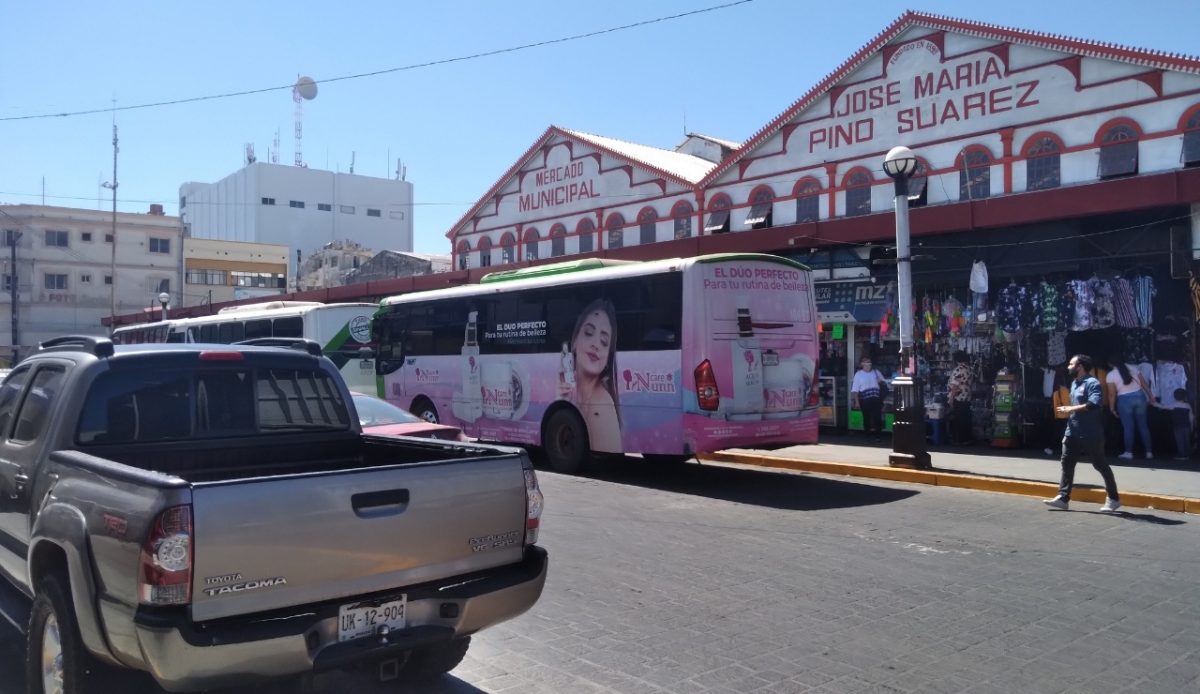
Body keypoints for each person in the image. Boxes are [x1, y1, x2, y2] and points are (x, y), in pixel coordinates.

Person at [1044, 354, 1122, 513]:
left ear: (1080, 366)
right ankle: (1063, 497)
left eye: (1071, 364)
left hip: (1090, 431)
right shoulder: (1074, 383)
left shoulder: (1092, 383)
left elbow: (1094, 404)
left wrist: (1070, 409)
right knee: (1066, 463)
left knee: (1099, 464)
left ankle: (1113, 498)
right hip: (1072, 430)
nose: (1068, 367)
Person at [557, 298, 622, 453]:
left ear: (608, 357)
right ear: (574, 342)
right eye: (588, 332)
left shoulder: (603, 405)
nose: (596, 344)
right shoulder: (567, 389)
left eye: (604, 341)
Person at [1105, 360, 1155, 460]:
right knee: (1143, 426)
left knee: (1128, 427)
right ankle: (1149, 452)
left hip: (1124, 400)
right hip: (1140, 397)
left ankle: (1129, 452)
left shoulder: (1111, 375)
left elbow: (1111, 394)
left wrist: (1111, 408)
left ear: (1110, 364)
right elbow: (1144, 383)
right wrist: (1151, 396)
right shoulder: (1133, 368)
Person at [850, 356, 886, 442]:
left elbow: (884, 382)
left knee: (877, 417)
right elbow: (855, 389)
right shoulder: (858, 374)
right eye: (866, 362)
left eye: (869, 362)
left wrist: (880, 381)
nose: (868, 364)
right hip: (864, 400)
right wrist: (857, 402)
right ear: (862, 364)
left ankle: (878, 435)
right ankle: (867, 435)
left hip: (876, 398)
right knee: (866, 418)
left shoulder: (876, 372)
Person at [1157, 388, 1193, 461]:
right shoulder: (1188, 405)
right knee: (1187, 440)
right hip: (1187, 426)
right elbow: (1191, 417)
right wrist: (1191, 426)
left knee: (1180, 441)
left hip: (1177, 426)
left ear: (1175, 396)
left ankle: (1182, 455)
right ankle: (1188, 454)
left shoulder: (1175, 404)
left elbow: (1163, 406)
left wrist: (1154, 403)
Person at [946, 351, 973, 445]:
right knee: (966, 417)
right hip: (967, 396)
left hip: (959, 397)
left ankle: (961, 440)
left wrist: (950, 399)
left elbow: (954, 386)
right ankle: (967, 439)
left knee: (959, 419)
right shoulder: (969, 368)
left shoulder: (958, 369)